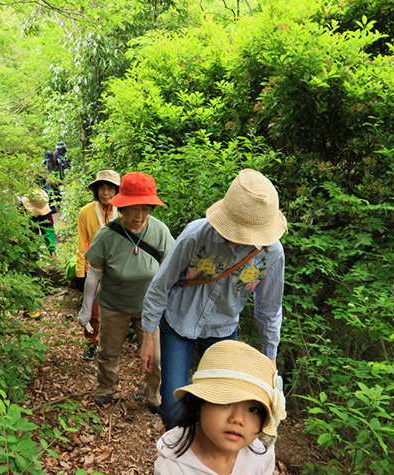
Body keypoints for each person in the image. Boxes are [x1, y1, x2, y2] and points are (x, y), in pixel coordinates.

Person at [141, 169, 287, 429]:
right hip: (178, 322)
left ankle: (205, 453)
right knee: (172, 404)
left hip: (223, 328)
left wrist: (270, 357)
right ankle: (179, 453)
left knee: (221, 403)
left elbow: (269, 309)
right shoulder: (196, 235)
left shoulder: (272, 254)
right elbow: (160, 285)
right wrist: (148, 336)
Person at [77, 172, 175, 408]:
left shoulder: (160, 232)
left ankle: (152, 394)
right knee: (108, 351)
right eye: (133, 208)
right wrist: (86, 309)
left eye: (145, 207)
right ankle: (106, 387)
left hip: (148, 308)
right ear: (121, 207)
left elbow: (168, 274)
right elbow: (94, 275)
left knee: (157, 356)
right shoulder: (106, 236)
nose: (139, 215)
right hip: (113, 304)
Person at [154, 340, 286, 475]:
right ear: (199, 403)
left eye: (253, 409)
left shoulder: (261, 454)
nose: (238, 419)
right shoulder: (172, 467)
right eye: (224, 401)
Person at [74, 170, 121, 360]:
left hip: (118, 269)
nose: (106, 192)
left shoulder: (124, 212)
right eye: (102, 188)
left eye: (110, 188)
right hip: (92, 268)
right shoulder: (86, 212)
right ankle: (91, 343)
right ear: (96, 190)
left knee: (115, 310)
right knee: (91, 310)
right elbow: (81, 243)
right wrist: (79, 271)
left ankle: (111, 345)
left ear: (117, 191)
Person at [21, 189, 58, 318]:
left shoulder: (44, 211)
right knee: (15, 272)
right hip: (14, 245)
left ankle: (29, 307)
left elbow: (48, 230)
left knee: (33, 274)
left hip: (32, 245)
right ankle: (14, 305)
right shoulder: (17, 209)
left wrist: (52, 250)